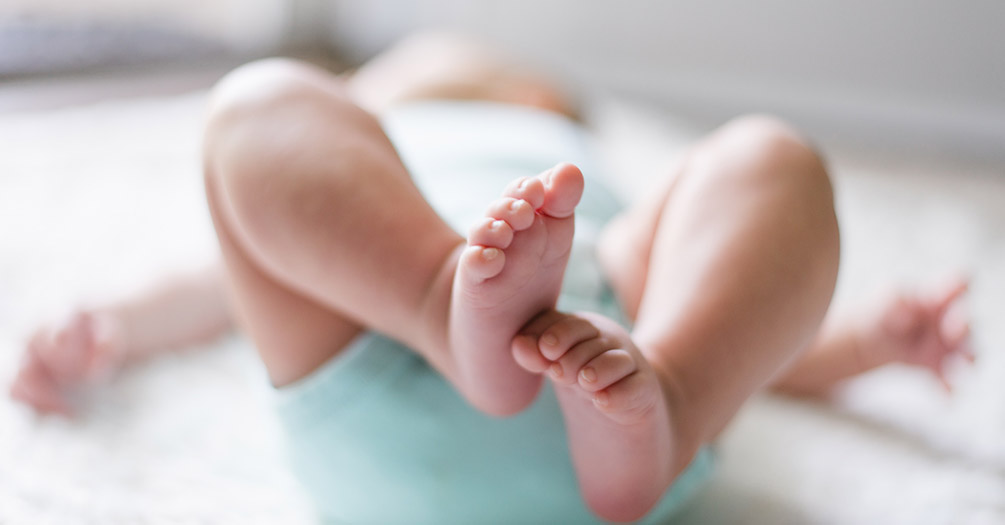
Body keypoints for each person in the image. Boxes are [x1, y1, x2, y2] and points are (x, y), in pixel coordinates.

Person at [10, 34, 973, 523]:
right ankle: (451, 300)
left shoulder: (585, 176)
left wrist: (860, 345)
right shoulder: (365, 157)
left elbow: (744, 327)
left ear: (553, 115)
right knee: (264, 106)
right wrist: (110, 323)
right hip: (393, 327)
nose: (488, 90)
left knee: (762, 165)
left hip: (599, 363)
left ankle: (660, 391)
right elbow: (221, 276)